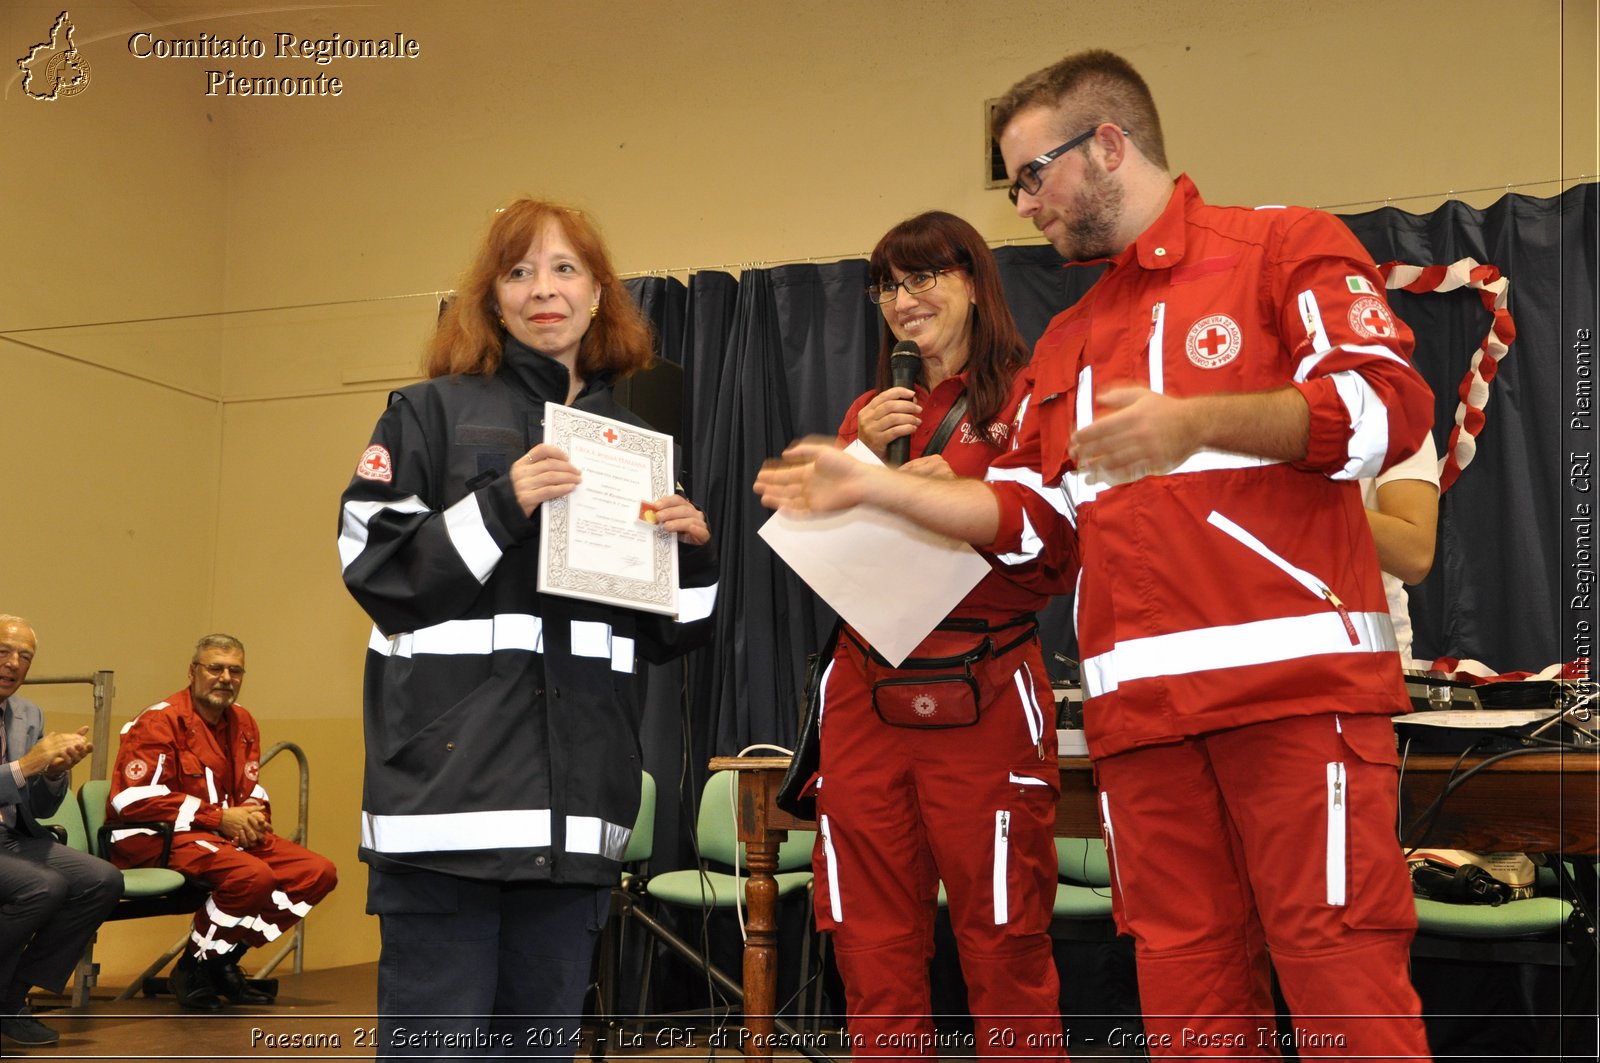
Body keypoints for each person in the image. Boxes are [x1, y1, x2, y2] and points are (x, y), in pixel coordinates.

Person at [757, 50, 1435, 1059]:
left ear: (1107, 144)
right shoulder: (1072, 338)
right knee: (1189, 1000)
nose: (1023, 202)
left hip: (1293, 700)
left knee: (1342, 986)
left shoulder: (1281, 246)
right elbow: (1035, 521)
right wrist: (879, 486)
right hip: (1142, 729)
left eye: (1032, 174)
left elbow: (1386, 408)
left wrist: (1199, 426)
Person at [337, 198, 717, 1059]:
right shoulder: (425, 412)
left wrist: (691, 555)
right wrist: (503, 500)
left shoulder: (634, 443)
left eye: (563, 269)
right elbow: (376, 568)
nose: (542, 289)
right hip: (447, 818)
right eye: (518, 272)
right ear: (492, 298)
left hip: (578, 822)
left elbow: (671, 636)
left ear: (597, 295)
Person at [806, 211, 1069, 1059]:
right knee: (869, 943)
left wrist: (947, 494)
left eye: (923, 277)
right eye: (886, 283)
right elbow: (834, 557)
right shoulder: (873, 409)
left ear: (973, 280)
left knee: (1004, 937)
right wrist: (859, 457)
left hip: (985, 688)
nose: (902, 299)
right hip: (866, 690)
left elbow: (1055, 556)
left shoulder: (1031, 396)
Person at [105, 634, 337, 1012]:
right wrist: (219, 817)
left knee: (316, 871)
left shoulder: (243, 720)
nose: (225, 677)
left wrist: (254, 814)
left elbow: (250, 785)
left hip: (217, 834)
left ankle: (221, 959)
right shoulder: (159, 721)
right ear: (193, 671)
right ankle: (193, 967)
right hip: (155, 837)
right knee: (252, 876)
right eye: (215, 668)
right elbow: (130, 799)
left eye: (235, 670)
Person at [0, 616, 123, 1048]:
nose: (13, 663)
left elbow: (41, 807)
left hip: (13, 839)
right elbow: (18, 772)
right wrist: (27, 765)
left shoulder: (28, 713)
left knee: (102, 879)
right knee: (44, 886)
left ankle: (12, 997)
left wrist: (53, 774)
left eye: (25, 656)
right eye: (3, 651)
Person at [1364, 431, 1440, 667]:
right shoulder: (1248, 415)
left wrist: (1301, 499)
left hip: (1364, 659)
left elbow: (1414, 555)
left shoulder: (1387, 410)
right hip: (1254, 650)